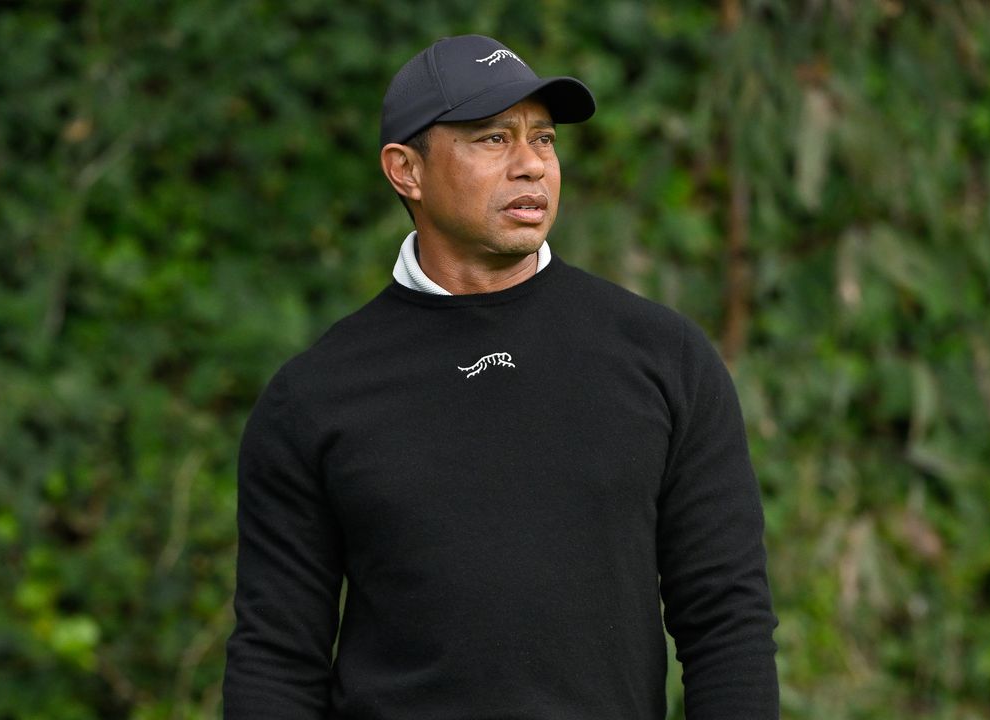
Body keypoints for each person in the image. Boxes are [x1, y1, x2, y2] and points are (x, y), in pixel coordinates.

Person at [223, 34, 778, 719]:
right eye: (492, 139)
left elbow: (727, 622)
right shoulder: (314, 397)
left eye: (542, 139)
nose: (531, 167)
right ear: (406, 170)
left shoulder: (664, 358)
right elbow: (276, 662)